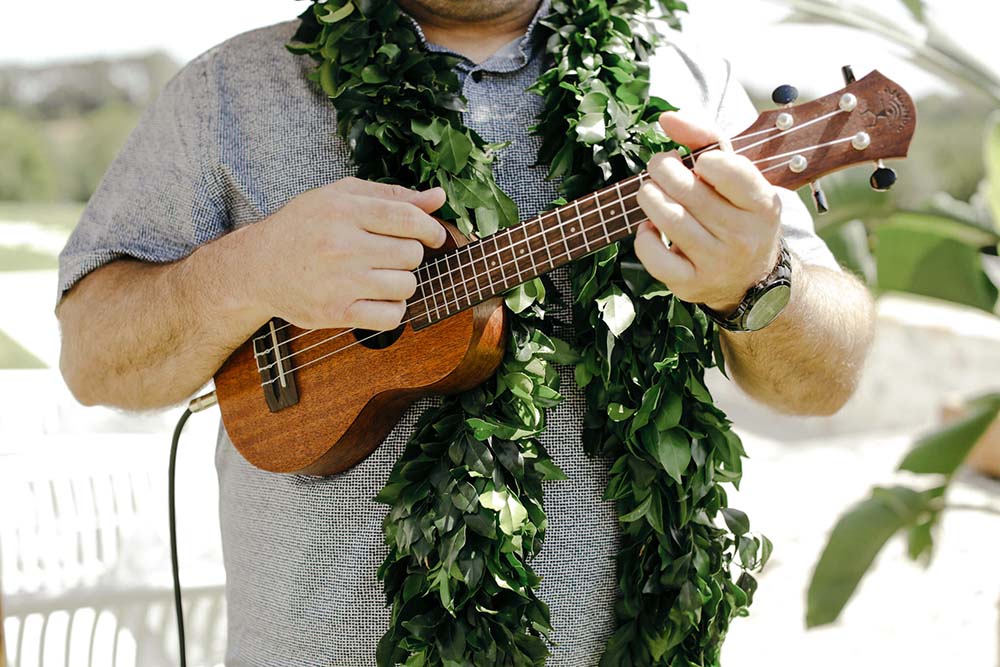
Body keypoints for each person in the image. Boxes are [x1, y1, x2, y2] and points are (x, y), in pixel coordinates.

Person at [56, 1, 875, 665]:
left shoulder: (692, 84)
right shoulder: (227, 94)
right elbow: (93, 357)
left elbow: (827, 376)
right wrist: (247, 270)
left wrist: (758, 278)